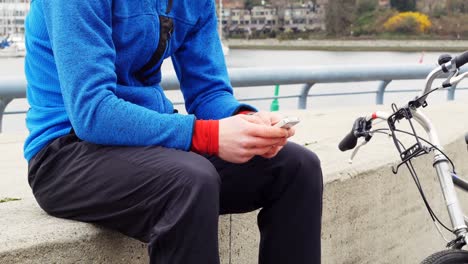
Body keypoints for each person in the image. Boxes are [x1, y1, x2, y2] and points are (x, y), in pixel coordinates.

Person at [24, 0, 323, 263]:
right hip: (65, 154)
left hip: (147, 145)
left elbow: (208, 93)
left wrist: (247, 123)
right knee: (189, 180)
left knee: (297, 167)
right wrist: (209, 135)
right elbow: (92, 112)